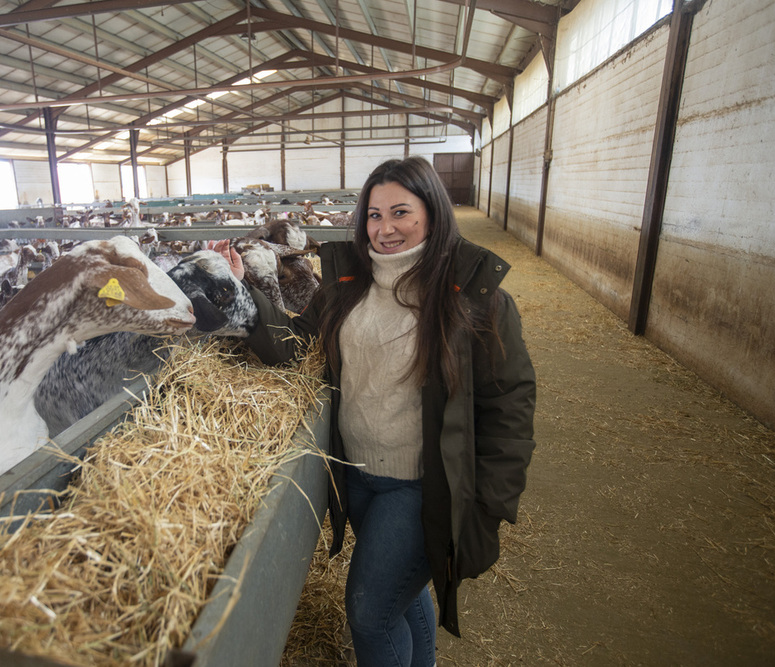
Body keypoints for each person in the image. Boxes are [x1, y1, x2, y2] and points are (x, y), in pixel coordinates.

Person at [217, 156, 536, 667]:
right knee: (400, 599)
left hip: (421, 486)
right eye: (373, 214)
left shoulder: (476, 299)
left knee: (369, 614)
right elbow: (301, 346)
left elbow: (509, 406)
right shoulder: (348, 285)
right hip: (357, 478)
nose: (385, 229)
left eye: (401, 213)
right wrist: (243, 292)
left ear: (432, 213)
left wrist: (491, 501)